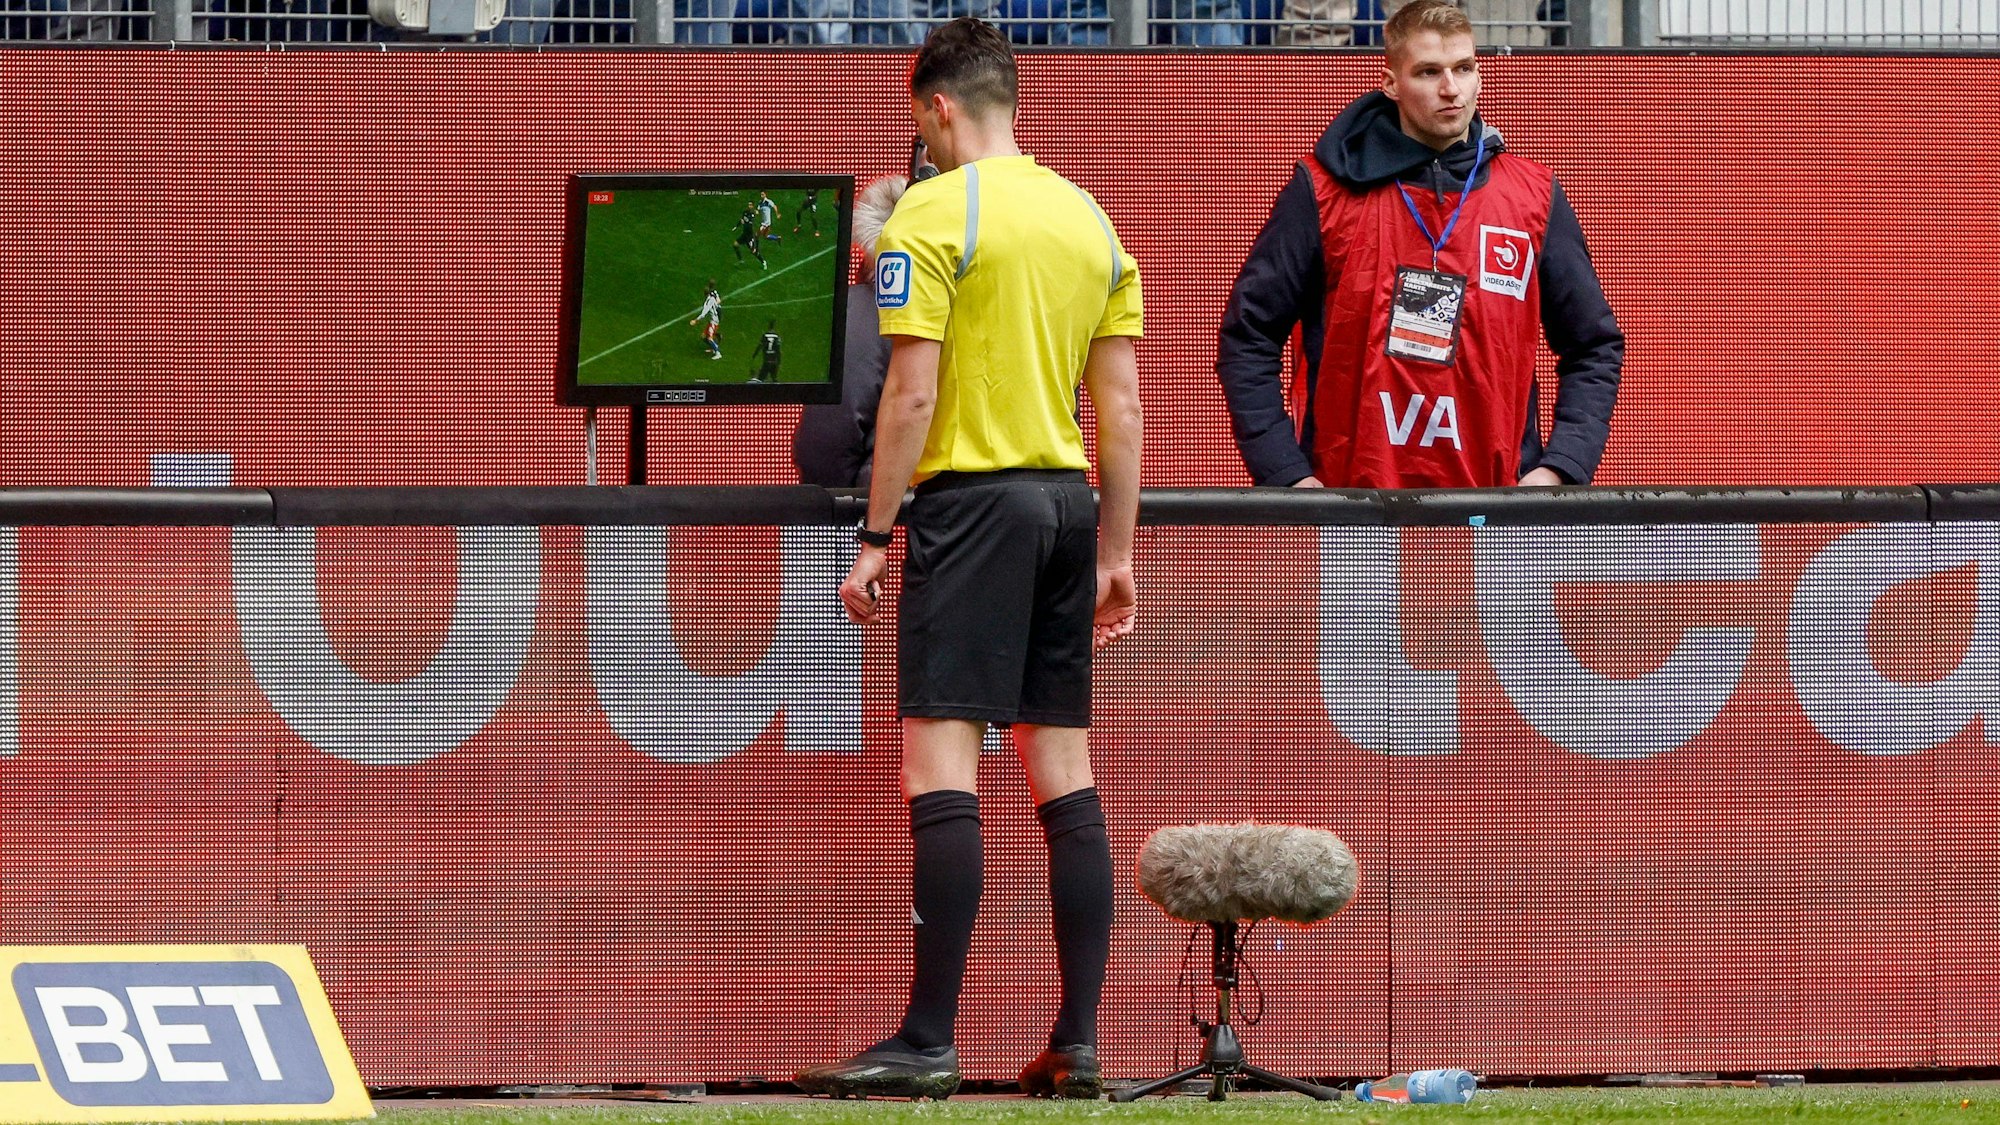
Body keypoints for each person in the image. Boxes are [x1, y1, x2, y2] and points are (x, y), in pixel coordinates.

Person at [794, 16, 1143, 1103]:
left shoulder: (932, 213)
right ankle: (1076, 1040)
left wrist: (871, 536)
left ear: (937, 106)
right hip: (1066, 504)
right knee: (1063, 773)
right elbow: (1121, 406)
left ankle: (927, 1038)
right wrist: (1117, 551)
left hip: (969, 505)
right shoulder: (1089, 217)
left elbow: (909, 392)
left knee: (939, 770)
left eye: (919, 122)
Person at [1217, 0, 1620, 489]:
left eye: (1464, 68)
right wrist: (1286, 475)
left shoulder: (1532, 194)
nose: (1451, 89)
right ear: (1390, 83)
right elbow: (1248, 337)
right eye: (1429, 72)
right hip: (1354, 512)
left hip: (1505, 504)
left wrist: (1560, 467)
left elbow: (1594, 344)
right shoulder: (1322, 191)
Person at [792, 175, 908, 487]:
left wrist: (855, 502)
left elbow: (827, 443)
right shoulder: (991, 301)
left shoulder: (859, 311)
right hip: (985, 508)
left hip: (879, 511)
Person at [690, 280, 723, 360]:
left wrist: (695, 320)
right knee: (703, 336)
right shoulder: (714, 294)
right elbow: (719, 301)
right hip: (716, 317)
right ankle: (714, 346)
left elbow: (703, 314)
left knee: (709, 338)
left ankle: (718, 353)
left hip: (714, 321)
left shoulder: (708, 302)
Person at [732, 203, 768, 269]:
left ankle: (763, 262)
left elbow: (749, 224)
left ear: (752, 206)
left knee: (753, 252)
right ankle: (741, 260)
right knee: (735, 245)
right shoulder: (745, 212)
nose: (749, 206)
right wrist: (736, 226)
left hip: (749, 236)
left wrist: (744, 222)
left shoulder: (752, 215)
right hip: (744, 234)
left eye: (751, 205)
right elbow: (741, 220)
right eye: (749, 205)